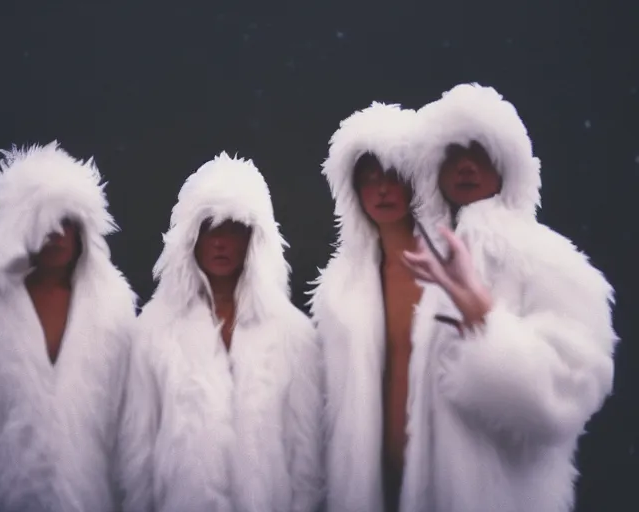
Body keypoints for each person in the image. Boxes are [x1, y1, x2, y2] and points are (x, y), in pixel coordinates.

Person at [399, 83, 618, 512]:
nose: (466, 164)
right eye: (453, 152)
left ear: (508, 165)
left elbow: (573, 387)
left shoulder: (545, 257)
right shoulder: (422, 267)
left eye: (481, 151)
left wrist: (485, 319)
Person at [117, 152, 324, 512]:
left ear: (254, 239)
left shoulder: (293, 334)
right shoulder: (152, 330)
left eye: (233, 228)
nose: (219, 241)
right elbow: (138, 450)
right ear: (190, 237)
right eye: (208, 227)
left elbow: (307, 455)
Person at [0, 142, 137, 512]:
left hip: (90, 498)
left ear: (83, 231)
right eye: (44, 220)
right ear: (20, 226)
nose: (56, 233)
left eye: (67, 222)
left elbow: (129, 423)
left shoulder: (113, 312)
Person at [309, 102, 422, 512]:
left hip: (448, 477)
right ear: (352, 190)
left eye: (394, 175)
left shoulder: (455, 268)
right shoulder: (342, 287)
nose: (383, 189)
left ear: (415, 178)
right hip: (373, 482)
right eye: (369, 179)